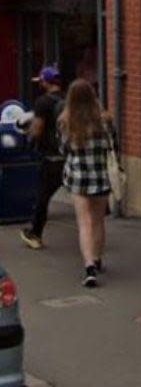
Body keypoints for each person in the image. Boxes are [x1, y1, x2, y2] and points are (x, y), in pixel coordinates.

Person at [58, 79, 116, 288]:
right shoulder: (105, 121)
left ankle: (89, 265)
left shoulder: (66, 122)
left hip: (78, 178)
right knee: (98, 221)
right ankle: (98, 259)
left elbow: (63, 150)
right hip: (100, 176)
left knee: (84, 222)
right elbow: (113, 146)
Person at [19, 66, 65, 250]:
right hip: (69, 156)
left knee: (42, 196)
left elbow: (37, 129)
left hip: (51, 157)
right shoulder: (68, 99)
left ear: (46, 82)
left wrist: (27, 135)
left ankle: (35, 234)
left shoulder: (42, 102)